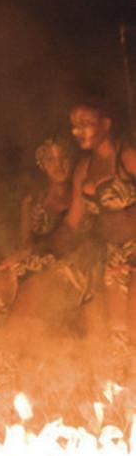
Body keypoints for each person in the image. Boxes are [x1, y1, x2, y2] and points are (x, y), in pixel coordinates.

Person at [0, 139, 92, 388]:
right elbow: (25, 244)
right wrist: (15, 263)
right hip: (35, 263)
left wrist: (41, 257)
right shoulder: (33, 202)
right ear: (41, 164)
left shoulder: (82, 195)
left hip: (70, 267)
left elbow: (80, 238)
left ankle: (8, 369)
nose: (58, 165)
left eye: (63, 158)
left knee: (35, 287)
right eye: (50, 159)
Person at [67, 98, 136, 375]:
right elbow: (72, 223)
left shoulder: (127, 157)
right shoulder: (83, 170)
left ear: (106, 125)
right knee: (115, 333)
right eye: (74, 125)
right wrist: (40, 252)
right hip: (112, 255)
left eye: (86, 123)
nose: (78, 131)